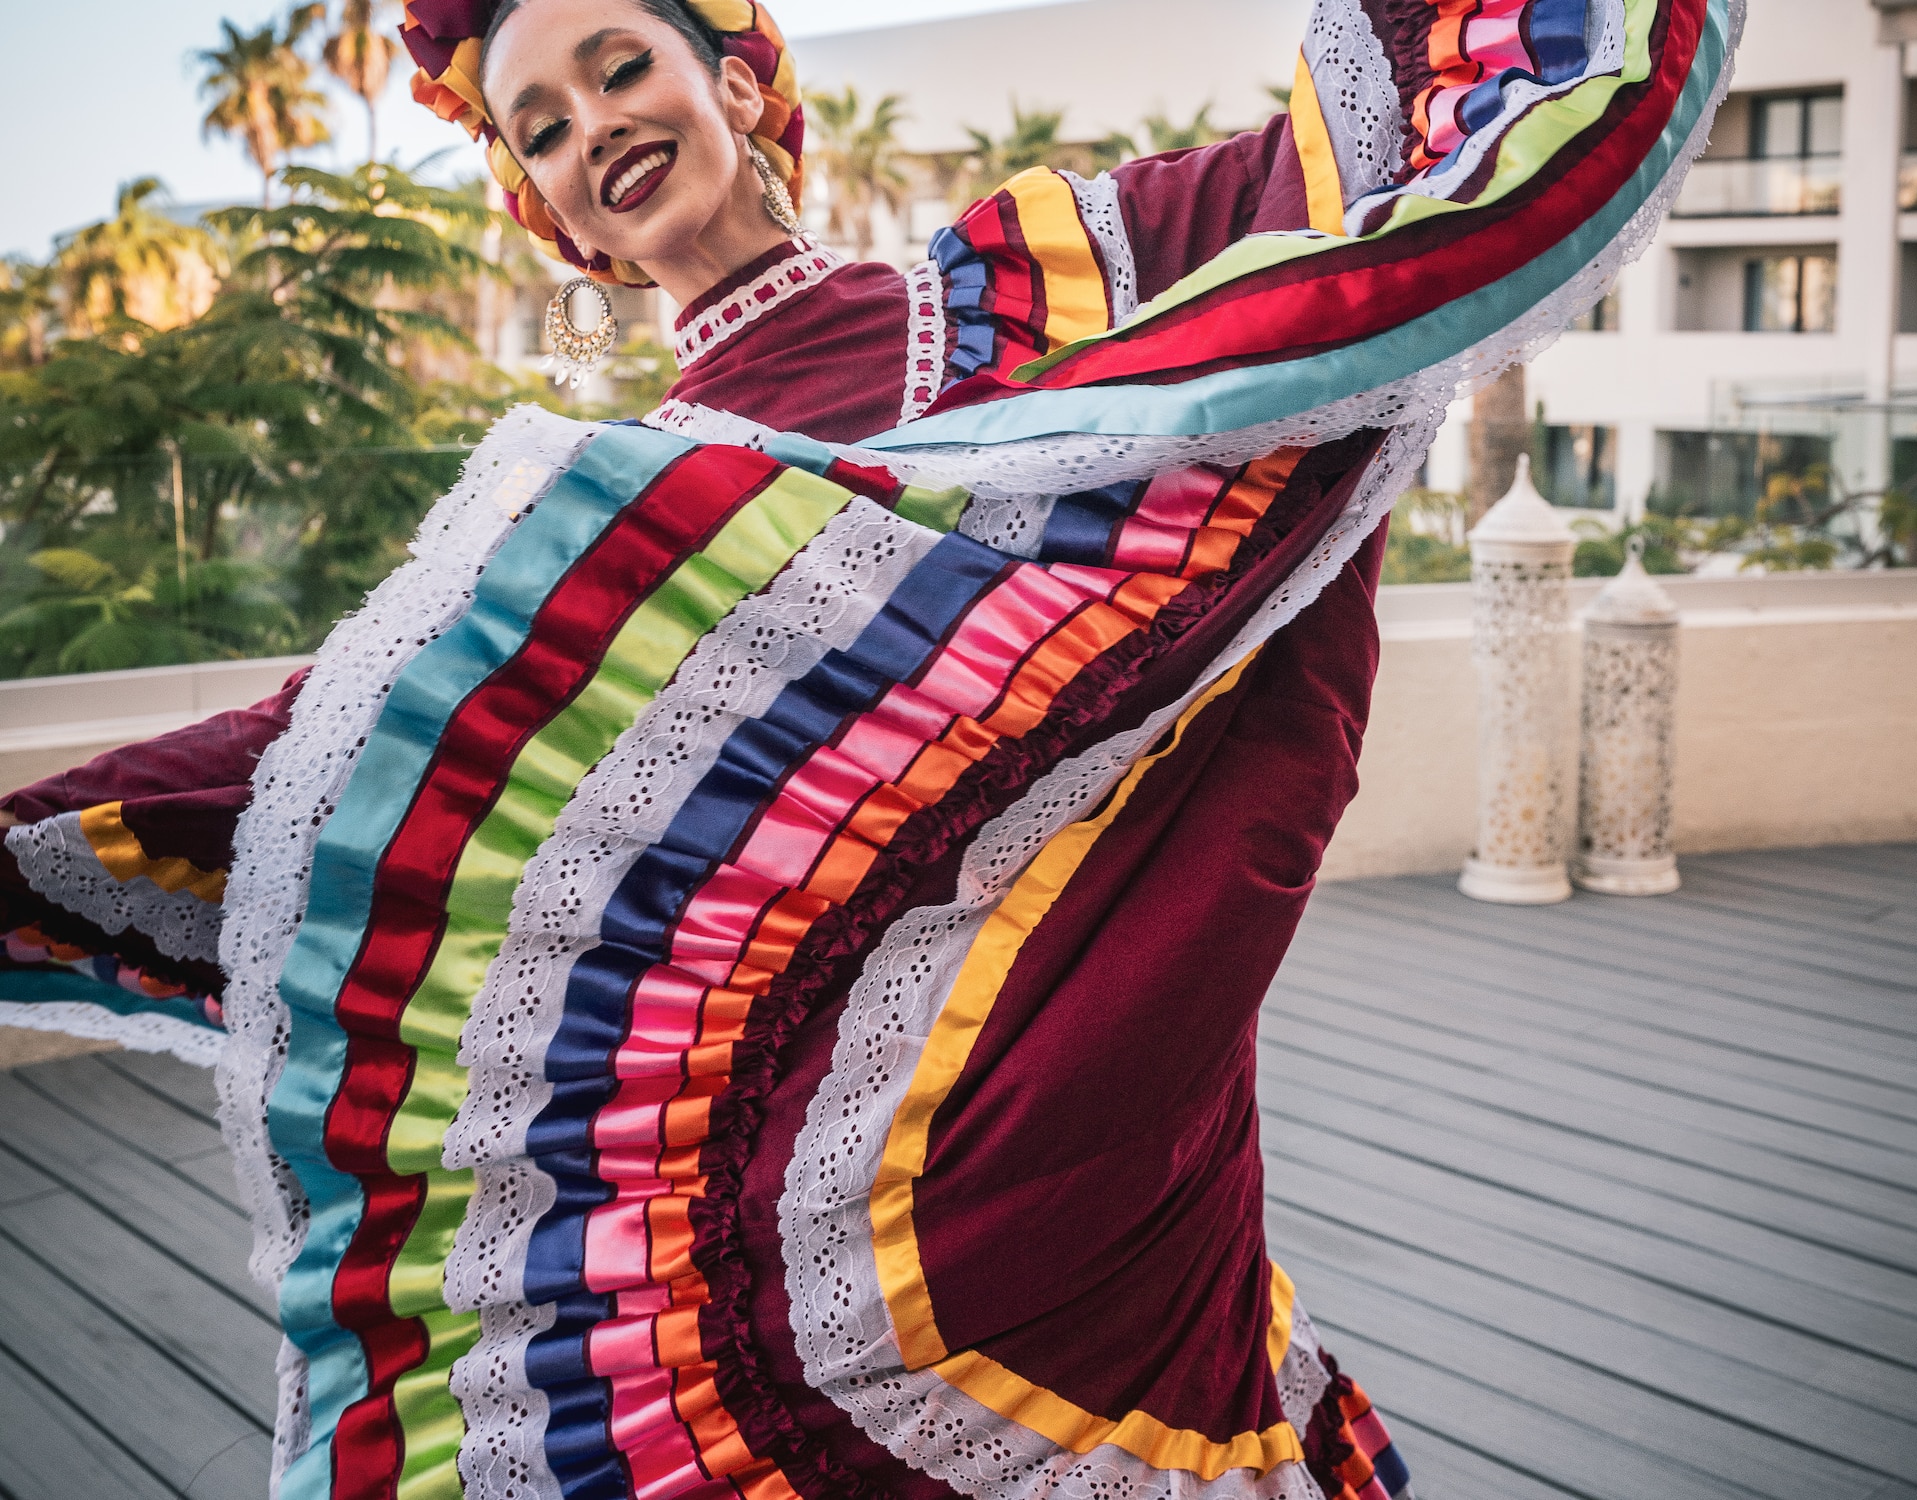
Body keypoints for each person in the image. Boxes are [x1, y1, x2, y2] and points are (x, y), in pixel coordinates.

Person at [0, 1, 1735, 1497]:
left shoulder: (1030, 284)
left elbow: (1326, 204)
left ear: (741, 87)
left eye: (624, 70)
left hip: (1108, 1027)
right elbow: (350, 755)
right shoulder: (616, 514)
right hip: (840, 1163)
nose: (598, 127)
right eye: (545, 126)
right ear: (552, 221)